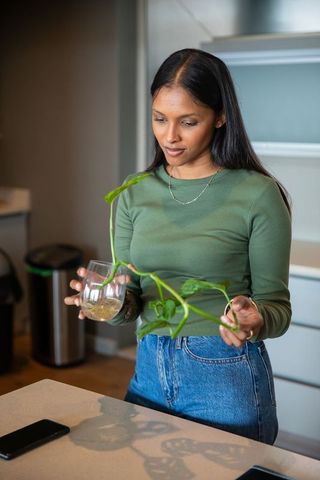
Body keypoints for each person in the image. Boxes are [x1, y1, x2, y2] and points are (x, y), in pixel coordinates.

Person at [65, 48, 291, 445]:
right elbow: (132, 299)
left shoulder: (258, 194)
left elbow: (277, 308)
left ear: (220, 117)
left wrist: (253, 317)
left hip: (226, 377)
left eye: (188, 122)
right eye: (160, 119)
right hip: (149, 372)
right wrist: (107, 300)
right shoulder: (134, 192)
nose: (170, 136)